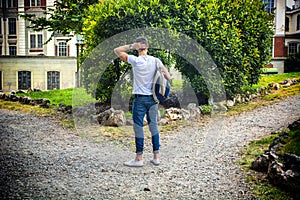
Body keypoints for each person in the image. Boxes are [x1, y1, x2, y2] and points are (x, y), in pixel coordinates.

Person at [114, 37, 171, 167]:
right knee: (154, 126)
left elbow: (117, 51)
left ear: (138, 48)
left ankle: (139, 159)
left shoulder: (135, 60)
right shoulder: (156, 61)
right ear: (147, 47)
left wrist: (131, 45)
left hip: (140, 99)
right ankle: (156, 157)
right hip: (153, 99)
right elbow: (167, 77)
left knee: (138, 127)